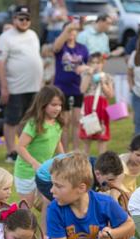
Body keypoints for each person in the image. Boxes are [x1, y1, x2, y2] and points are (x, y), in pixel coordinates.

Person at [0, 6, 44, 164]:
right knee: (12, 120)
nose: (24, 22)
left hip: (34, 87)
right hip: (15, 87)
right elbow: (0, 63)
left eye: (27, 19)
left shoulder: (33, 35)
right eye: (21, 18)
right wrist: (4, 87)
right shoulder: (6, 37)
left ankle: (25, 149)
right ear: (14, 19)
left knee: (30, 120)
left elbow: (36, 58)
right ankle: (11, 151)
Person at [15, 85, 65, 207]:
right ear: (43, 104)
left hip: (45, 171)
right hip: (26, 171)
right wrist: (33, 163)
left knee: (48, 204)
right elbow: (20, 147)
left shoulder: (57, 123)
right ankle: (10, 216)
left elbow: (57, 142)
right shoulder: (34, 124)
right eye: (53, 105)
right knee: (27, 207)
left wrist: (64, 159)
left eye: (60, 105)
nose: (57, 108)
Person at [53, 21, 88, 151]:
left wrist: (85, 68)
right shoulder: (61, 47)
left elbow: (89, 65)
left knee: (77, 120)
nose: (71, 33)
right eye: (68, 30)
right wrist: (67, 29)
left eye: (73, 30)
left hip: (77, 88)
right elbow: (55, 47)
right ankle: (64, 151)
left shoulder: (82, 48)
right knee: (65, 121)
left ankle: (76, 150)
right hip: (62, 88)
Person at [78, 52, 114, 155]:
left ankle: (102, 159)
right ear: (89, 64)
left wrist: (103, 84)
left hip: (101, 107)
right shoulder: (86, 75)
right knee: (87, 136)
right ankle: (84, 159)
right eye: (92, 63)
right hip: (89, 106)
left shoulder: (107, 77)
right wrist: (89, 74)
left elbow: (110, 95)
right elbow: (82, 89)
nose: (95, 65)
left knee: (102, 137)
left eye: (98, 63)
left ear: (103, 63)